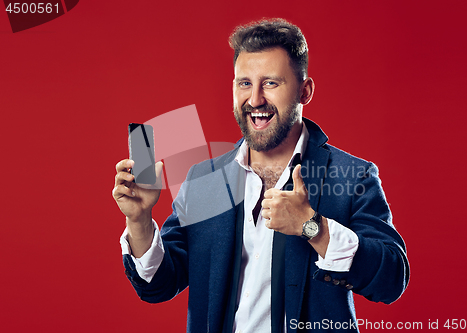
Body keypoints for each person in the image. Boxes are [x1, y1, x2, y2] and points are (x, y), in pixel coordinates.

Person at [113, 18, 409, 333]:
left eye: (270, 83)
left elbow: (391, 280)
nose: (254, 100)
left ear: (304, 91)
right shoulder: (203, 180)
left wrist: (312, 227)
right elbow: (159, 285)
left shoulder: (352, 175)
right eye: (244, 83)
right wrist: (141, 221)